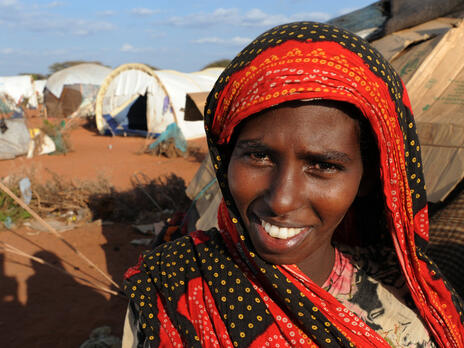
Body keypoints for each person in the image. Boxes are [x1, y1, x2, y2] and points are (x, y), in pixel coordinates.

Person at [122, 21, 464, 347]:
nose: (281, 200)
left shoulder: (412, 304)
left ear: (369, 180)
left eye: (323, 166)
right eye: (258, 156)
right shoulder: (170, 284)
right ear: (226, 159)